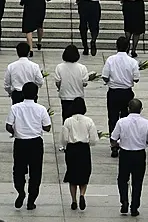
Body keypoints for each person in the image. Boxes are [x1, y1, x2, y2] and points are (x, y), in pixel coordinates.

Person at [6, 82, 51, 210]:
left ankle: (20, 191)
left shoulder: (15, 108)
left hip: (20, 142)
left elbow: (8, 125)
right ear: (36, 94)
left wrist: (15, 132)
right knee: (35, 172)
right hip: (36, 143)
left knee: (18, 170)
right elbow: (47, 127)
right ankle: (31, 200)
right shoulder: (41, 109)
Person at [110, 98, 148, 217]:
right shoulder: (147, 123)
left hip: (125, 153)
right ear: (141, 109)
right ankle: (134, 206)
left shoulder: (121, 122)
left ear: (128, 109)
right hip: (139, 154)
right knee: (137, 181)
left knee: (122, 179)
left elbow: (113, 138)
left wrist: (117, 144)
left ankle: (124, 200)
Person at [102, 36, 140, 157]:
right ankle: (124, 143)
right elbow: (136, 78)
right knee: (125, 119)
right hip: (126, 93)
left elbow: (104, 76)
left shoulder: (110, 60)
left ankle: (113, 145)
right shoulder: (132, 61)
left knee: (113, 119)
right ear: (128, 47)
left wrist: (110, 82)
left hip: (113, 92)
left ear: (116, 46)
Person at [62, 97, 98, 210]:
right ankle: (82, 194)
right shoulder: (89, 121)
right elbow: (94, 139)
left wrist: (64, 146)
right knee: (84, 173)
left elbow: (64, 138)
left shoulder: (68, 121)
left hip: (72, 149)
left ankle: (73, 200)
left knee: (72, 174)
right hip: (83, 149)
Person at [55, 45, 89, 122]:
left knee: (66, 118)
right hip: (78, 97)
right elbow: (84, 83)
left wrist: (61, 88)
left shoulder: (59, 67)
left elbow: (57, 82)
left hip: (65, 96)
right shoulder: (82, 68)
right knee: (78, 120)